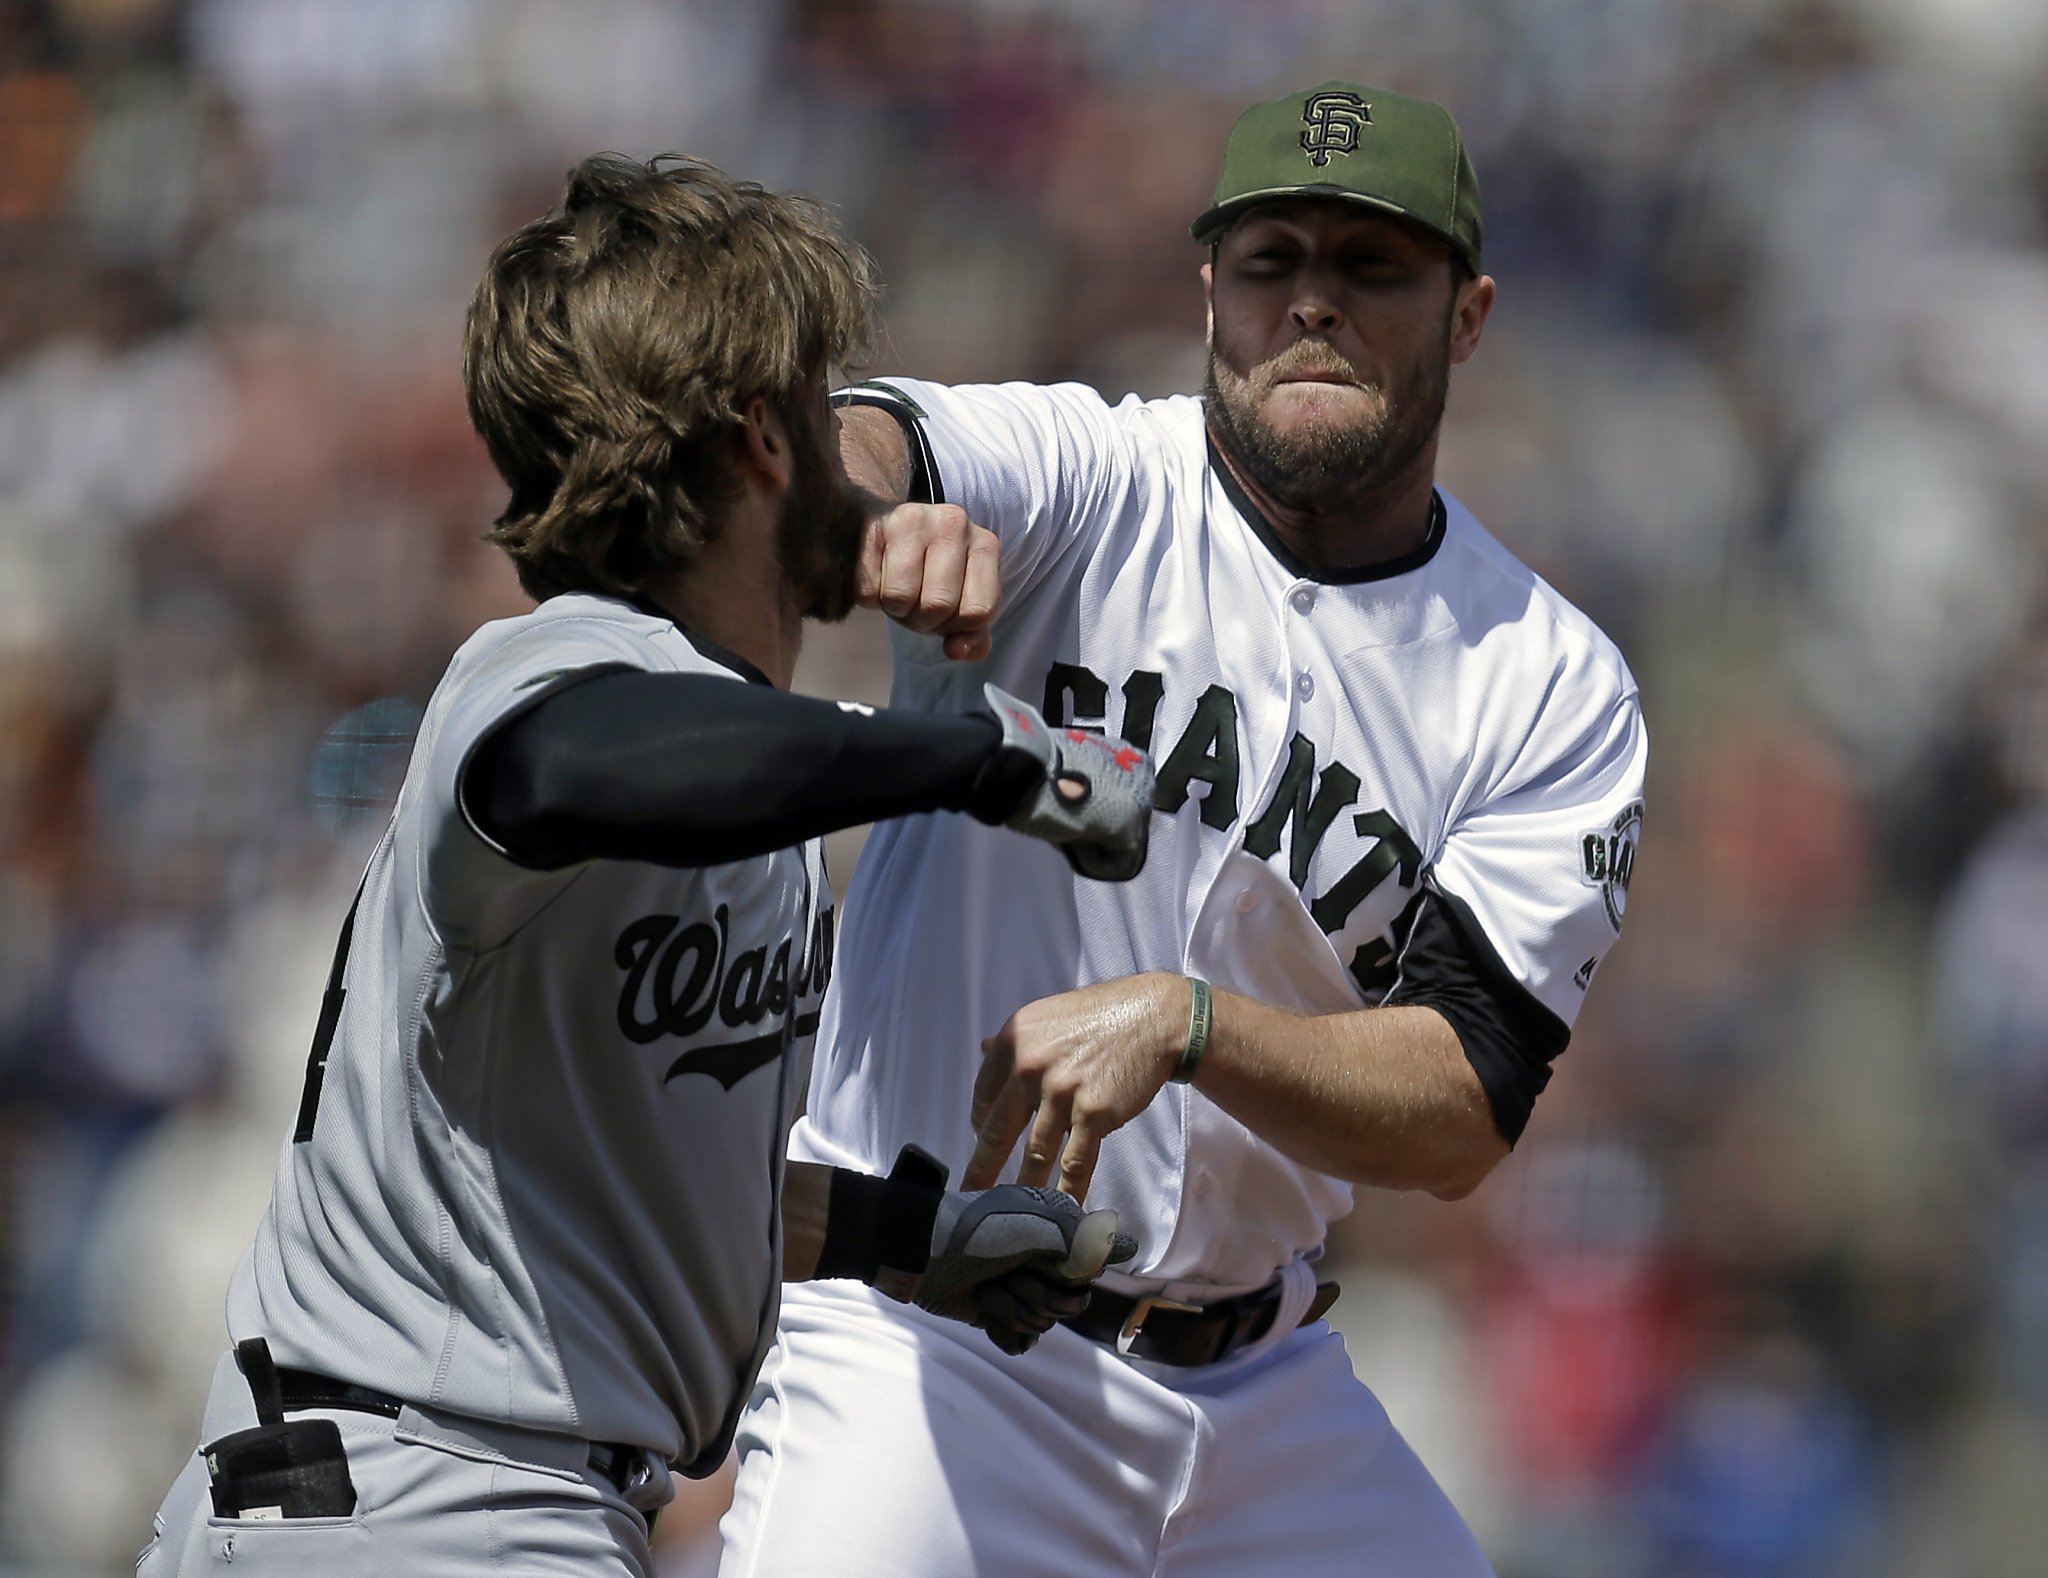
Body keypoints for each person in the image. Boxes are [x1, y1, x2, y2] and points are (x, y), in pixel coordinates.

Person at [135, 153, 1155, 1578]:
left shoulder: (729, 765)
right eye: (820, 401)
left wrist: (920, 1234)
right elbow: (583, 763)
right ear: (761, 437)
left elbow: (639, 1190)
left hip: (473, 1500)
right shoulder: (553, 670)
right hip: (413, 1492)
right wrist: (985, 759)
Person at [717, 81, 1648, 1576]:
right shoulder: (1096, 483)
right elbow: (877, 435)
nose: (1315, 306)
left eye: (1373, 266)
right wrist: (879, 502)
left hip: (1268, 1389)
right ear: (1211, 288)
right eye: (1274, 259)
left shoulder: (1547, 678)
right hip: (929, 1342)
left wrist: (1194, 1022)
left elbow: (1464, 1102)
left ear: (1468, 316)